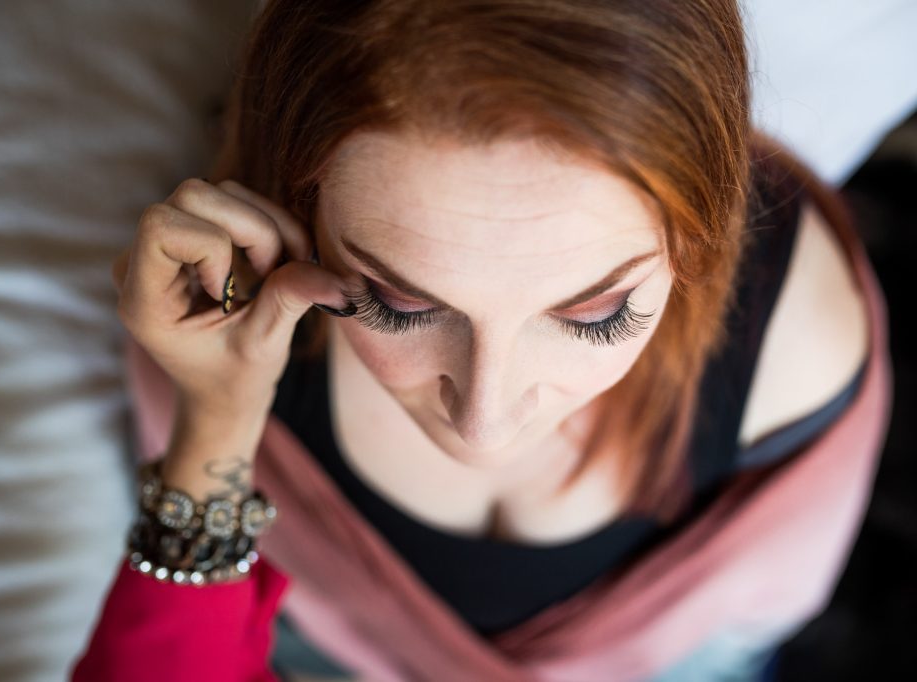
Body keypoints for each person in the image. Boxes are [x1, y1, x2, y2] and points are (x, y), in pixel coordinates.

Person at [70, 0, 892, 680]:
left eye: (596, 313)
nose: (485, 423)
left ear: (701, 236)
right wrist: (215, 423)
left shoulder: (794, 338)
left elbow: (755, 621)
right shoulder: (214, 321)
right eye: (396, 302)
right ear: (301, 202)